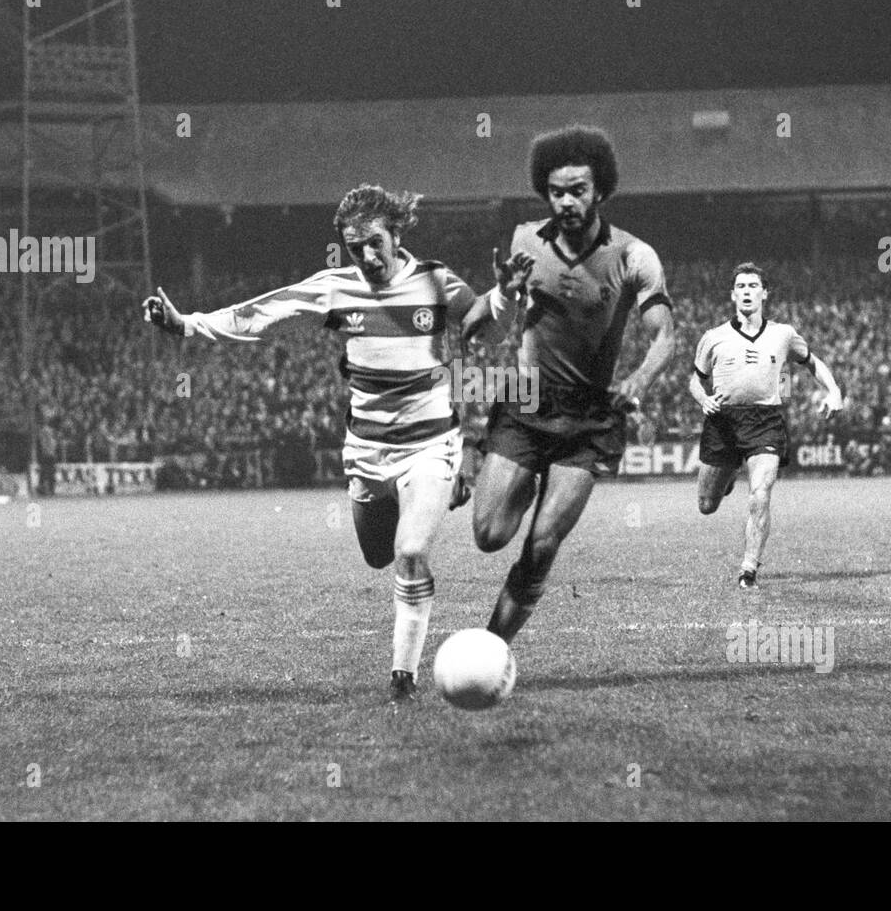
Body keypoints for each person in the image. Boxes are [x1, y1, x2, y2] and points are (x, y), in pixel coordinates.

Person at [143, 184, 522, 701]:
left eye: (373, 242)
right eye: (353, 246)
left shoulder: (435, 281)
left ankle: (402, 679)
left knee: (410, 552)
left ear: (395, 234)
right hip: (366, 448)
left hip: (431, 444)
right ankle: (410, 511)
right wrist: (188, 324)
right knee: (377, 555)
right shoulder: (335, 290)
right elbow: (263, 314)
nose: (366, 256)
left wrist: (503, 296)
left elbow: (485, 332)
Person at [472, 125, 676, 645]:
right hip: (526, 404)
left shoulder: (634, 256)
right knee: (489, 535)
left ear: (600, 189)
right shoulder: (522, 241)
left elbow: (665, 338)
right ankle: (520, 483)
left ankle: (494, 647)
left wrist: (638, 380)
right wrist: (503, 294)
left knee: (541, 545)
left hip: (587, 418)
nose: (566, 201)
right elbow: (483, 329)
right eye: (556, 191)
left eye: (578, 190)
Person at [690, 262, 843, 589]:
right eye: (741, 287)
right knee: (706, 505)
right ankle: (729, 473)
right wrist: (703, 400)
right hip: (723, 422)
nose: (747, 292)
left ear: (764, 294)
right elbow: (695, 380)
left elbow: (813, 363)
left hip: (765, 422)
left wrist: (834, 391)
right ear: (733, 295)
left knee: (760, 493)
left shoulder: (783, 334)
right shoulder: (713, 337)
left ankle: (748, 569)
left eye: (752, 286)